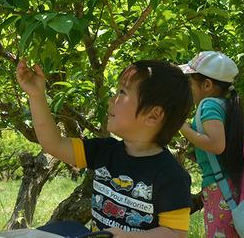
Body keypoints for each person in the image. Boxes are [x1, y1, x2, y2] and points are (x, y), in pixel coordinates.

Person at [16, 59, 193, 237]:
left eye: (122, 92)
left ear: (154, 116)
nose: (111, 100)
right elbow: (53, 144)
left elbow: (175, 233)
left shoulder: (171, 175)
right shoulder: (105, 151)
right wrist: (37, 96)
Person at [178, 51, 244, 238]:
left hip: (220, 188)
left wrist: (183, 128)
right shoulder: (228, 105)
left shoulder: (208, 104)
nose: (188, 87)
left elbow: (216, 145)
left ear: (207, 85)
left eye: (191, 82)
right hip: (234, 184)